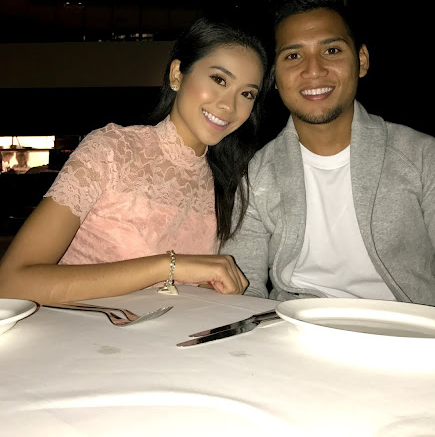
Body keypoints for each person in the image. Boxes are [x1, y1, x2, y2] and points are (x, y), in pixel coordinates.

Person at [222, 0, 435, 318]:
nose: (313, 70)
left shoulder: (421, 157)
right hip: (299, 333)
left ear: (361, 60)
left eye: (331, 51)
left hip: (414, 333)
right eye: (293, 55)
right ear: (275, 76)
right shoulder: (258, 174)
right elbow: (244, 288)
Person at [0, 17, 268, 304]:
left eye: (247, 93)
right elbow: (11, 283)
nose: (229, 105)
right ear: (177, 75)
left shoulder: (229, 180)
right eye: (219, 80)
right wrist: (168, 266)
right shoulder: (111, 151)